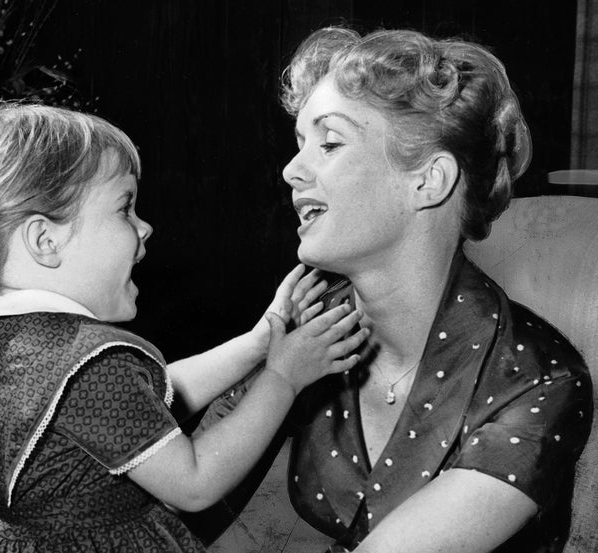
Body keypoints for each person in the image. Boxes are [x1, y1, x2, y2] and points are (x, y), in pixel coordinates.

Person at [0, 104, 371, 553]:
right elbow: (194, 482)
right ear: (45, 241)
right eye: (124, 208)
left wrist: (262, 339)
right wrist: (282, 377)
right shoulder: (84, 359)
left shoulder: (4, 333)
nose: (145, 227)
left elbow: (148, 400)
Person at [205, 27, 593, 552]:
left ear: (428, 181)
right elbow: (187, 486)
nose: (292, 170)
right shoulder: (307, 326)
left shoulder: (537, 380)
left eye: (330, 143)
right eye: (300, 145)